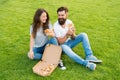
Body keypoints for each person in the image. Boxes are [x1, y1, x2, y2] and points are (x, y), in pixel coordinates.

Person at [53, 6, 102, 71]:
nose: (60, 17)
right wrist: (67, 35)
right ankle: (86, 63)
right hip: (62, 46)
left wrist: (72, 33)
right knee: (64, 47)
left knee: (83, 35)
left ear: (66, 14)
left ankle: (89, 56)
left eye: (62, 15)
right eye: (59, 15)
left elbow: (73, 37)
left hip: (70, 42)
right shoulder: (56, 26)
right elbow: (59, 42)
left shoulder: (69, 22)